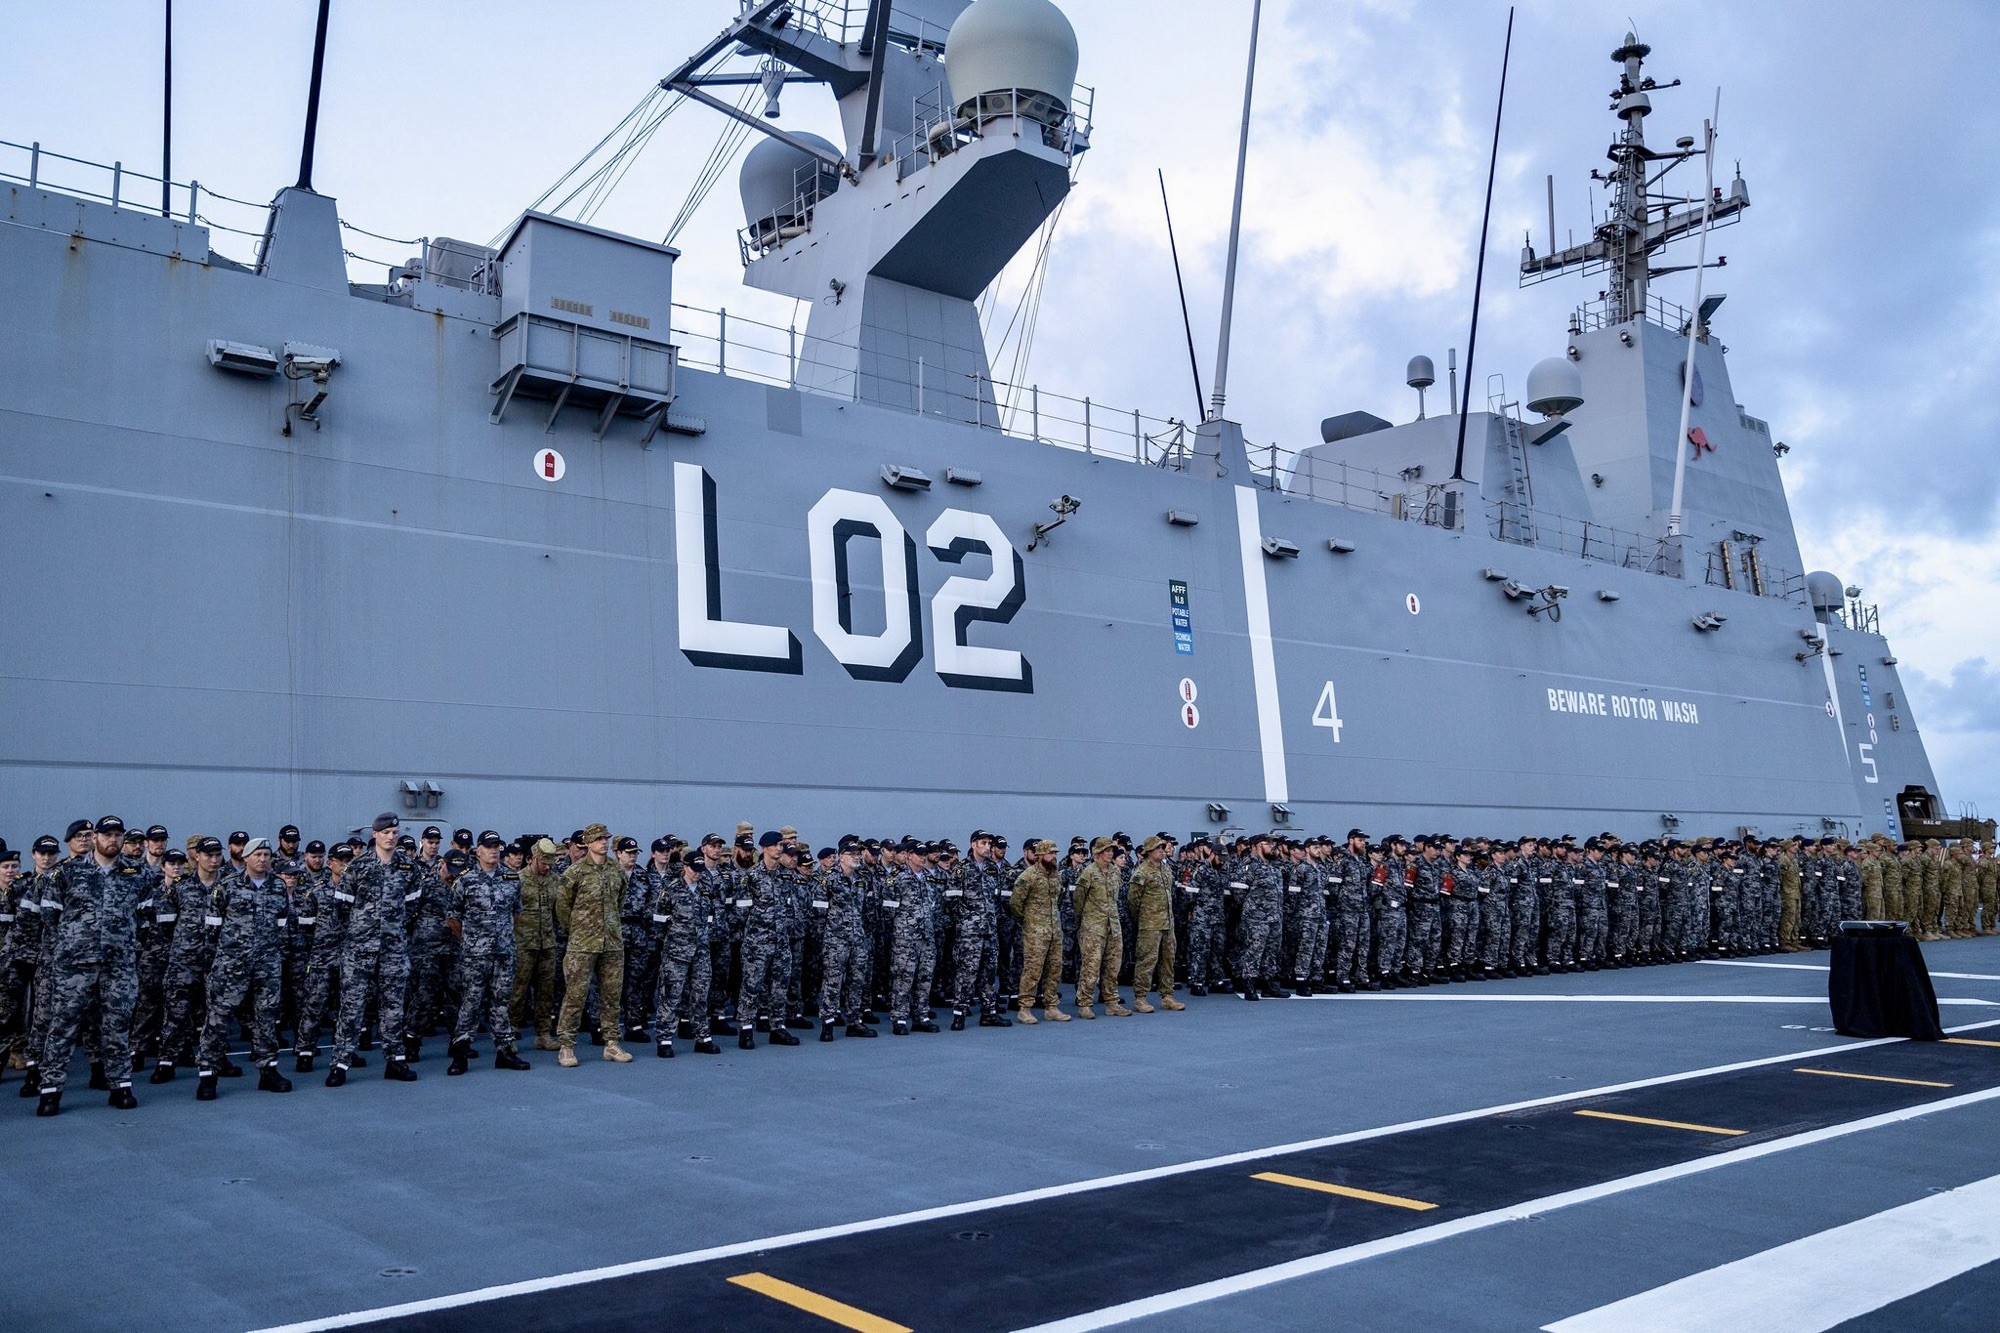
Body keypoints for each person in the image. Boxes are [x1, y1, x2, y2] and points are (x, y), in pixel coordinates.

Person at [35, 816, 144, 1116]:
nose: (113, 840)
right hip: (75, 964)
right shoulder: (67, 872)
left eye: (118, 835)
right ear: (95, 837)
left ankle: (120, 1085)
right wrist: (72, 943)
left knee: (117, 1025)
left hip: (118, 964)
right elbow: (50, 917)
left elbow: (146, 913)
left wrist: (125, 941)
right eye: (107, 834)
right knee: (63, 1025)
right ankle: (50, 1089)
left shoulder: (137, 872)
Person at [195, 838, 292, 1100]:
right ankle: (208, 1074)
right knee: (218, 1019)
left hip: (266, 965)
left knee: (266, 1019)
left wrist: (274, 954)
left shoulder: (278, 887)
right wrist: (216, 962)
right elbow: (212, 928)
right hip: (231, 965)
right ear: (246, 857)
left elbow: (283, 924)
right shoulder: (227, 887)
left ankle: (268, 1070)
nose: (263, 859)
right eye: (257, 854)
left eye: (266, 854)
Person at [327, 814, 419, 1088]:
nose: (391, 837)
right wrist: (361, 931)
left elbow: (413, 905)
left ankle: (395, 1060)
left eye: (394, 832)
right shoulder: (358, 866)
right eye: (385, 832)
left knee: (393, 1007)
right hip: (359, 949)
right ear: (375, 835)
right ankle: (340, 1063)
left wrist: (393, 929)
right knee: (352, 1007)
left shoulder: (408, 867)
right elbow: (341, 908)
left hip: (393, 949)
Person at [446, 832, 530, 1075]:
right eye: (488, 847)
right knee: (471, 1002)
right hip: (475, 955)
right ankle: (460, 1053)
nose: (494, 851)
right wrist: (471, 941)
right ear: (478, 851)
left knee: (502, 1002)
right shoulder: (466, 880)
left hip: (504, 952)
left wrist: (501, 935)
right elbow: (453, 917)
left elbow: (516, 912)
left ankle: (504, 1052)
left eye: (497, 846)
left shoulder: (511, 878)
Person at [554, 823, 631, 1066]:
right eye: (598, 839)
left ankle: (612, 1043)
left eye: (605, 838)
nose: (603, 842)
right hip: (582, 944)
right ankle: (566, 1045)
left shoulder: (616, 870)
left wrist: (609, 925)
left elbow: (620, 901)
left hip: (612, 942)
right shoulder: (575, 872)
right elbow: (562, 906)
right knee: (575, 995)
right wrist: (578, 930)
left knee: (611, 995)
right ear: (587, 843)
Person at [653, 849, 723, 1056]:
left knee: (700, 995)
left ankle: (702, 1037)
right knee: (671, 995)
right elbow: (659, 922)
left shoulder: (706, 889)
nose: (697, 873)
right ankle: (664, 1038)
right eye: (694, 869)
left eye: (700, 869)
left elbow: (710, 918)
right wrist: (674, 940)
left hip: (701, 951)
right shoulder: (671, 889)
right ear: (685, 867)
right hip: (677, 952)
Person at [1009, 838, 1070, 1023]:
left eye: (1055, 853)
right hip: (1035, 932)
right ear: (1040, 855)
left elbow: (1059, 899)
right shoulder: (1028, 876)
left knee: (1054, 969)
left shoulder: (1056, 875)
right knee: (1032, 970)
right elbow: (1015, 904)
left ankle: (1051, 1007)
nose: (1054, 857)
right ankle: (1025, 1008)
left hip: (1054, 931)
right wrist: (1029, 922)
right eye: (1050, 853)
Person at [1073, 837, 1130, 1018]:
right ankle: (1084, 1004)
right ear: (1097, 853)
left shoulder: (1115, 872)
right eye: (1107, 850)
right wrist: (1084, 922)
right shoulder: (1088, 872)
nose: (1110, 853)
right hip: (1093, 927)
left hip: (1113, 926)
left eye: (1112, 850)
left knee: (1113, 967)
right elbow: (1078, 899)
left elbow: (1116, 898)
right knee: (1091, 967)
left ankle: (1111, 1002)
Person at [1127, 835, 1183, 1012]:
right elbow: (1133, 900)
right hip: (1150, 924)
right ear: (1149, 851)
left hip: (1167, 922)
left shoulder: (1165, 869)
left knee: (1168, 960)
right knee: (1146, 960)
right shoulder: (1142, 872)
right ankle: (1140, 998)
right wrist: (1143, 917)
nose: (1162, 850)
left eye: (1162, 847)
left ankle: (1167, 996)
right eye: (1158, 848)